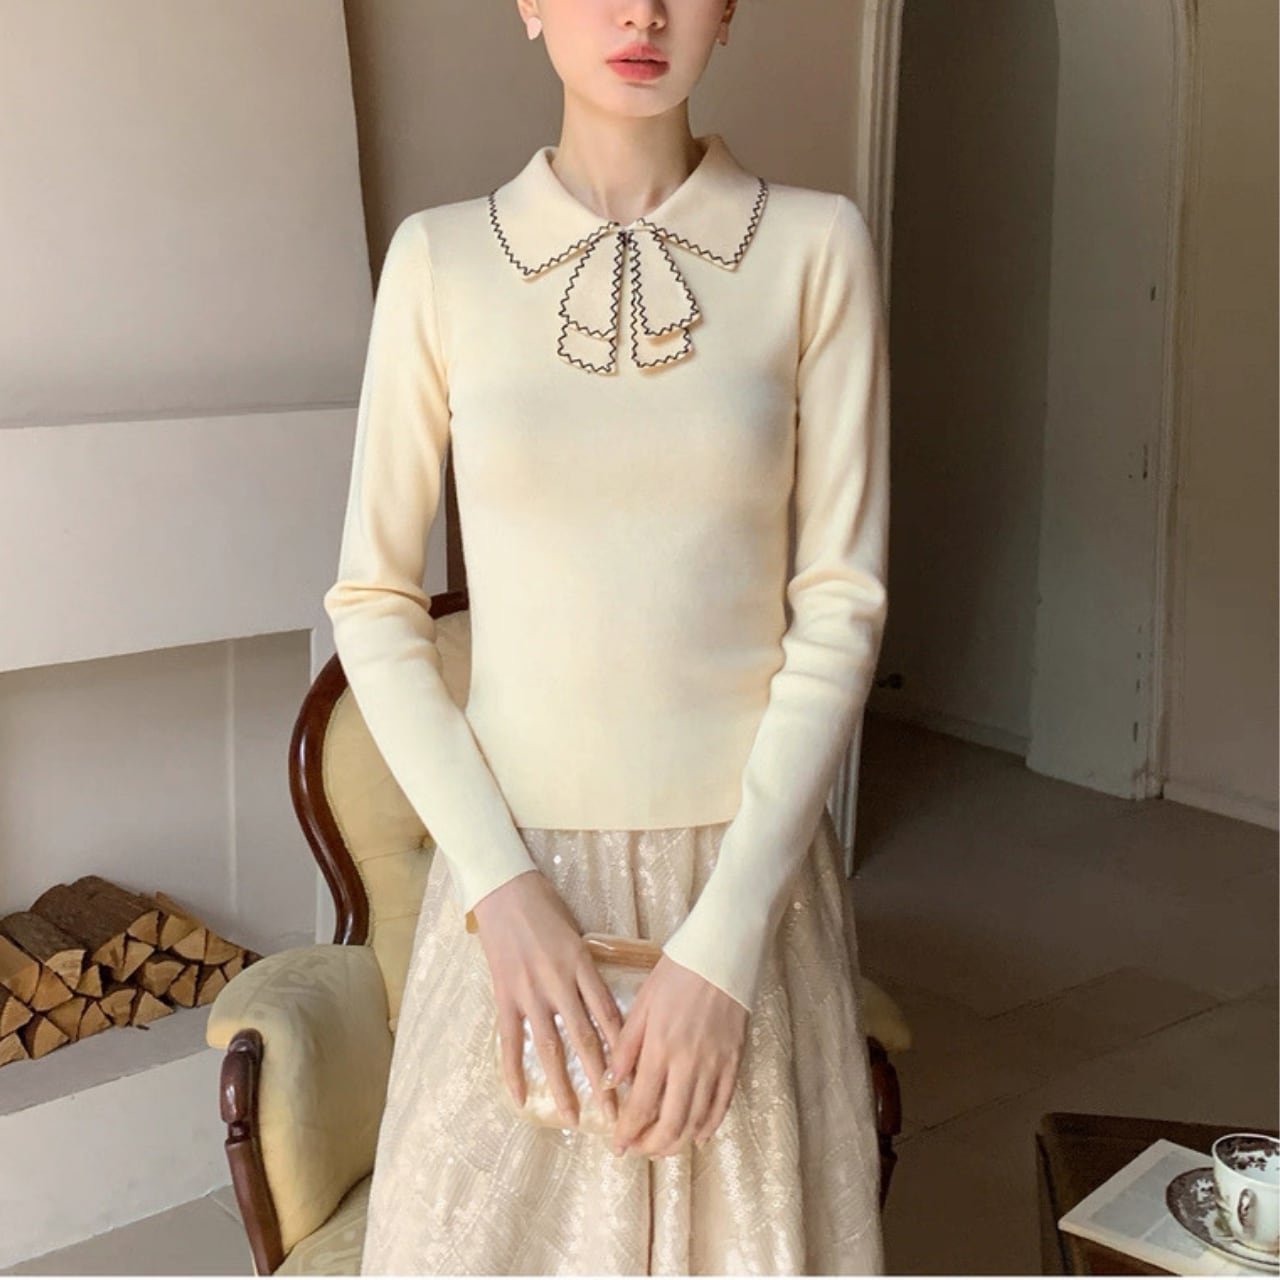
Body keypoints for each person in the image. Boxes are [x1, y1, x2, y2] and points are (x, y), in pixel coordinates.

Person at [323, 0, 891, 1272]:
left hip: (742, 893)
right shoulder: (438, 260)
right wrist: (499, 890)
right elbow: (371, 600)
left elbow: (840, 602)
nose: (640, 12)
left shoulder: (816, 247)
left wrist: (726, 942)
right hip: (514, 897)